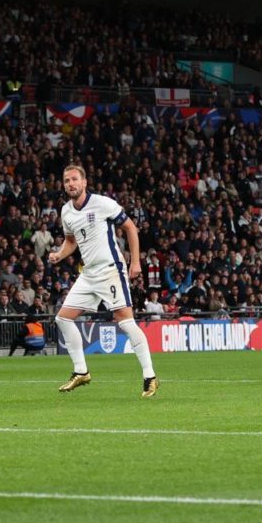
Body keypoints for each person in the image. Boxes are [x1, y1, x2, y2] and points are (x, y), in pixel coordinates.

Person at [48, 165, 159, 398]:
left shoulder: (102, 203)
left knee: (125, 322)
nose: (70, 183)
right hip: (88, 274)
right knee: (63, 318)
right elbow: (71, 241)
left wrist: (135, 262)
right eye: (66, 180)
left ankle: (150, 377)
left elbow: (130, 227)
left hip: (110, 270)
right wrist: (60, 253)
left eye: (74, 179)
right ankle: (81, 371)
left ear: (84, 182)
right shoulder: (66, 211)